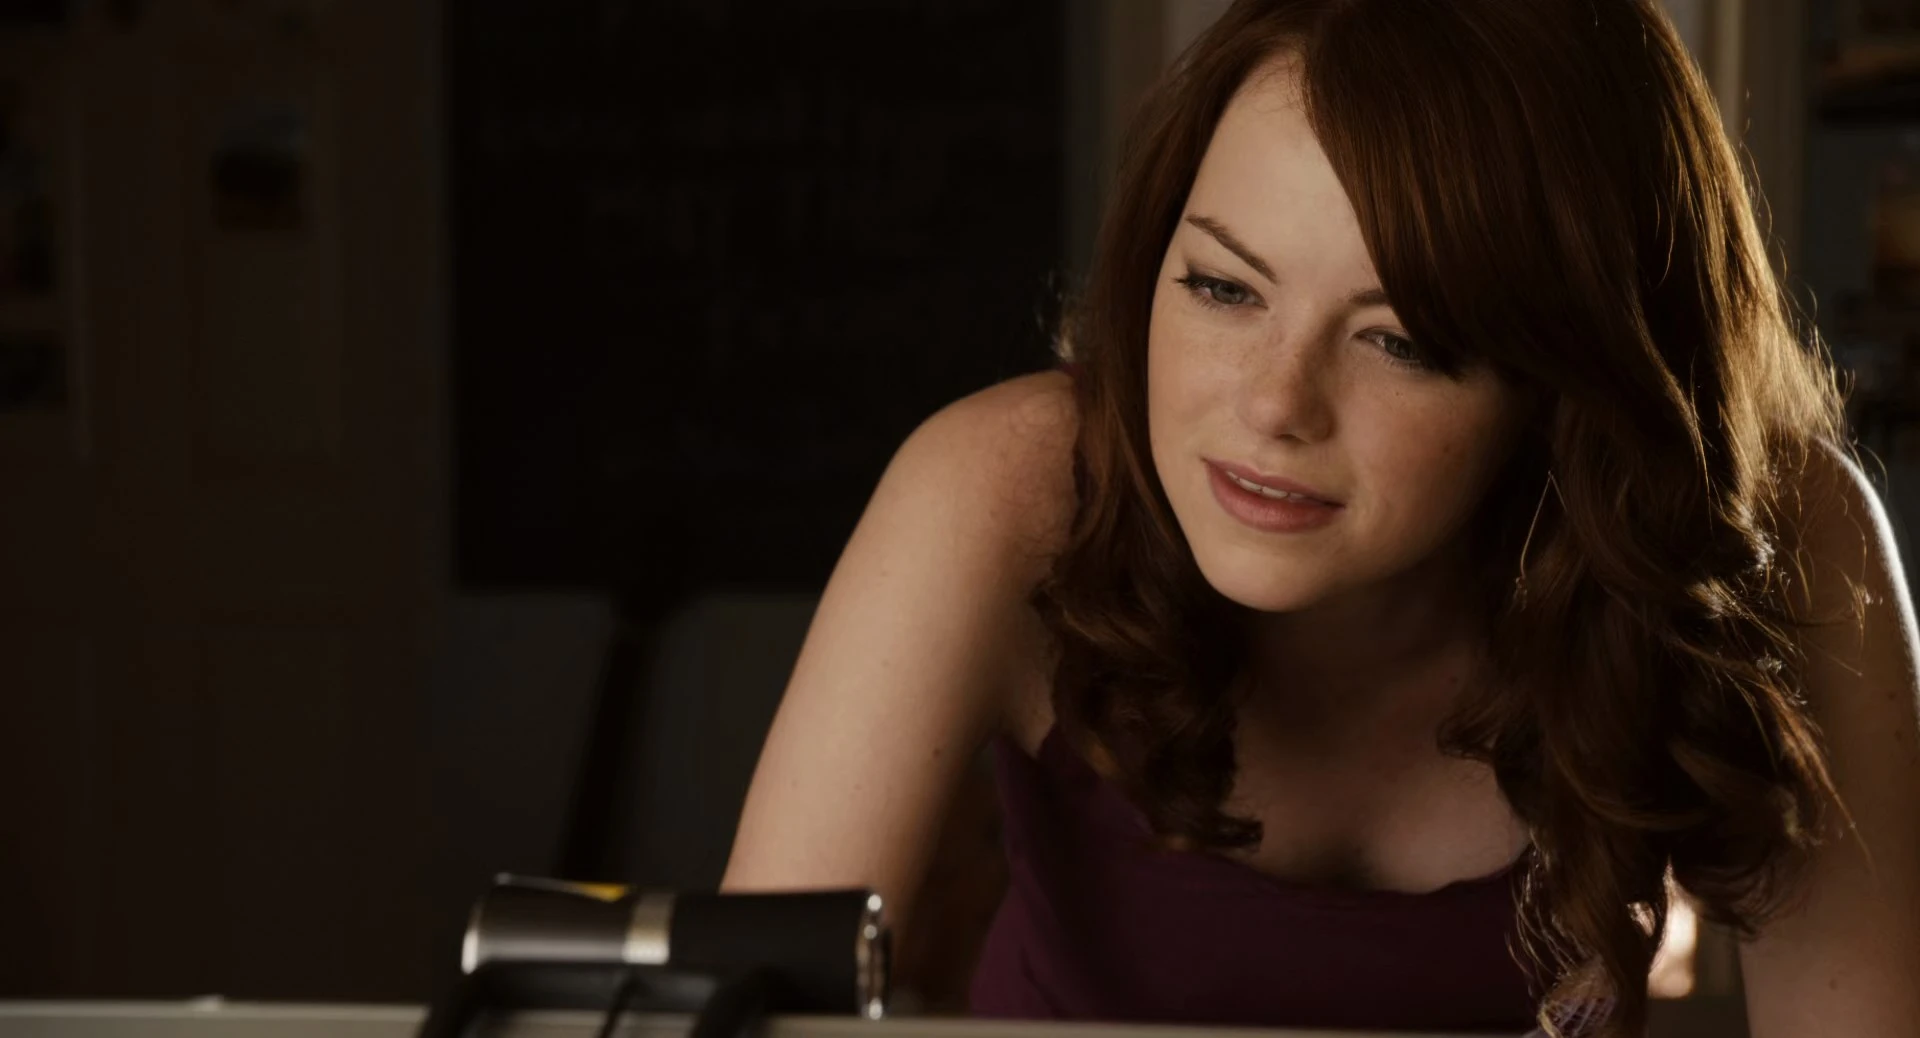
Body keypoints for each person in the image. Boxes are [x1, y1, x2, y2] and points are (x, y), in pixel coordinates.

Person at [721, 1, 1920, 1035]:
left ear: (1571, 385)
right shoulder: (1006, 489)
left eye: (1401, 341)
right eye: (1222, 286)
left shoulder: (1771, 536)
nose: (1273, 405)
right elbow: (734, 1008)